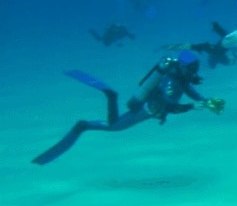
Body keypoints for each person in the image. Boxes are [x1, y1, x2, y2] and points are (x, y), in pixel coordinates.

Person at [32, 51, 224, 165]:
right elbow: (170, 106)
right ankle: (92, 116)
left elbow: (190, 90)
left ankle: (88, 122)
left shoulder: (179, 77)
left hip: (149, 107)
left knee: (114, 124)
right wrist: (193, 106)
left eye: (195, 67)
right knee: (114, 126)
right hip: (148, 110)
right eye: (192, 68)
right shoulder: (172, 82)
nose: (194, 72)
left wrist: (205, 101)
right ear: (183, 67)